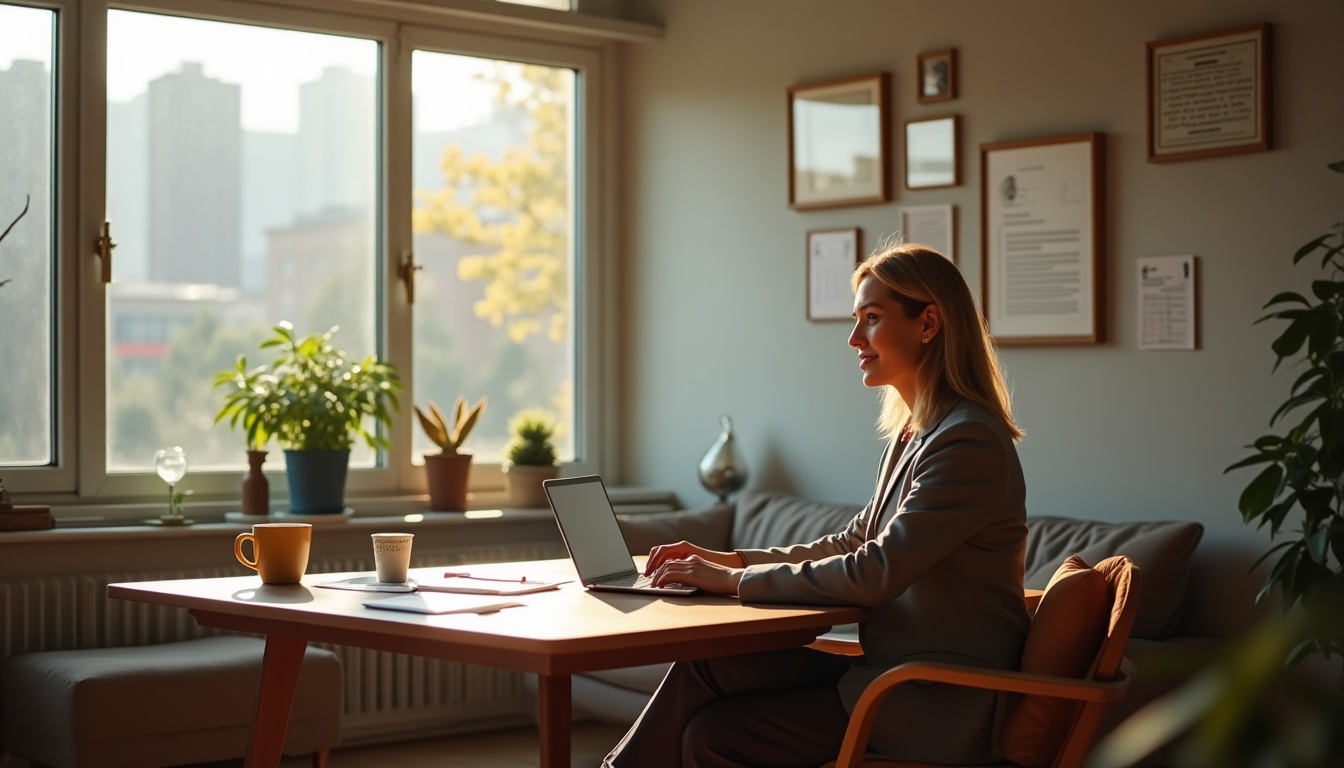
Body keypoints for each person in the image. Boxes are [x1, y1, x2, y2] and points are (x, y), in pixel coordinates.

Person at [603, 243, 1031, 768]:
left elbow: (876, 570)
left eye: (871, 319)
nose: (854, 339)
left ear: (929, 323)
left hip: (938, 699)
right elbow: (854, 541)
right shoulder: (917, 434)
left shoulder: (968, 444)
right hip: (888, 675)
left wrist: (733, 583)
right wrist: (729, 562)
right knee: (707, 663)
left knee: (716, 735)